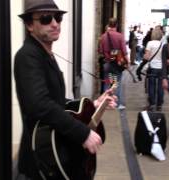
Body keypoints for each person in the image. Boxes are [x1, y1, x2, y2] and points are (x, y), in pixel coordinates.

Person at [14, 0, 116, 179]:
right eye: (46, 19)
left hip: (54, 151)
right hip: (41, 158)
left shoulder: (45, 53)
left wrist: (93, 105)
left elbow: (56, 100)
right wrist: (82, 133)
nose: (54, 23)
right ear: (30, 25)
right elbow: (39, 104)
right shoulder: (27, 55)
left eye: (58, 17)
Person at [99, 18, 130, 110]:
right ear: (116, 25)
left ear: (109, 24)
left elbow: (100, 50)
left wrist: (107, 54)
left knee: (108, 83)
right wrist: (127, 62)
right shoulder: (120, 36)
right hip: (117, 63)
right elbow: (124, 51)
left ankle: (105, 104)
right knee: (116, 83)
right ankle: (116, 104)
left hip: (107, 62)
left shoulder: (103, 36)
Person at [143, 28, 165, 111]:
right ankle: (159, 104)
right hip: (161, 68)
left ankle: (152, 104)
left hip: (152, 67)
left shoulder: (150, 43)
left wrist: (144, 57)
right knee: (160, 87)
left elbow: (147, 56)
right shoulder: (163, 44)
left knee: (151, 86)